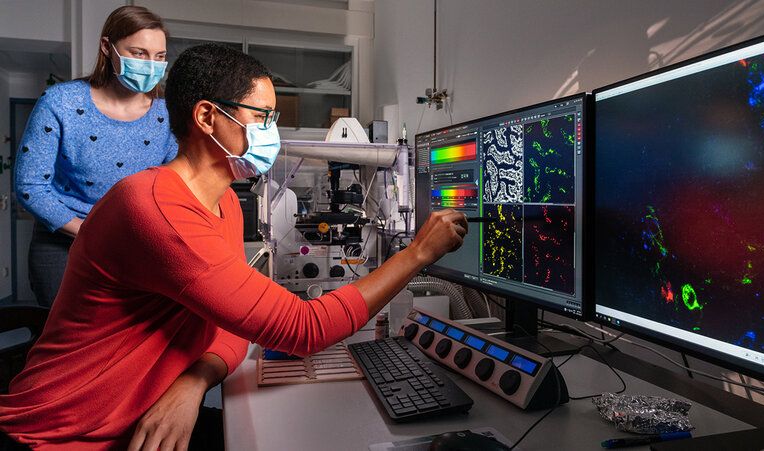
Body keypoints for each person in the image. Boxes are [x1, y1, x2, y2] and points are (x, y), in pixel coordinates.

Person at [0, 43, 468, 450]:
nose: (271, 131)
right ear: (207, 117)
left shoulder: (222, 201)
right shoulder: (155, 210)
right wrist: (417, 254)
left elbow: (232, 327)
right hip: (61, 436)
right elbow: (302, 329)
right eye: (261, 116)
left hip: (143, 421)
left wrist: (194, 381)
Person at [14, 6, 177, 307]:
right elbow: (30, 186)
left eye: (159, 56)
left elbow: (173, 184)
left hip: (133, 244)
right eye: (139, 53)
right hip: (62, 243)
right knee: (64, 330)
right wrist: (92, 234)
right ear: (107, 47)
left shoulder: (167, 114)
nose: (150, 65)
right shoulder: (61, 102)